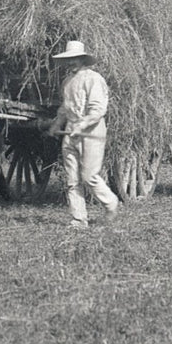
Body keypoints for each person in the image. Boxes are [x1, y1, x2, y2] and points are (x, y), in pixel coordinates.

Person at [48, 39, 121, 229]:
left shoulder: (94, 79)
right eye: (68, 59)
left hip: (91, 132)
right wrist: (57, 124)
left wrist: (82, 124)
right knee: (72, 179)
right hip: (70, 132)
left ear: (82, 59)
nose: (71, 62)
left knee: (89, 176)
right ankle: (79, 219)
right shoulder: (67, 81)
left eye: (75, 59)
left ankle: (111, 203)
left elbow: (98, 109)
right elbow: (65, 108)